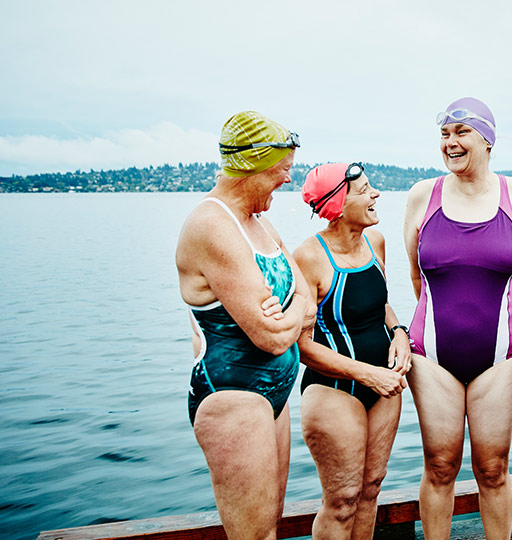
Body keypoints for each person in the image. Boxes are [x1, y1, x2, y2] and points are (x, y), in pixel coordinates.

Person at [175, 111, 314, 540]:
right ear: (252, 166)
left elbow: (307, 296)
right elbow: (271, 337)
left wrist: (292, 312)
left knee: (271, 527)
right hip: (234, 398)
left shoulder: (259, 222)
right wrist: (295, 315)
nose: (288, 181)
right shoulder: (212, 225)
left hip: (274, 396)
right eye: (282, 170)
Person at [402, 97, 512, 539]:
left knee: (494, 467)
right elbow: (417, 276)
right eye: (444, 134)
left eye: (461, 133)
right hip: (433, 355)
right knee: (439, 465)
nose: (451, 143)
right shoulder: (425, 195)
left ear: (487, 140)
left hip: (499, 354)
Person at [293, 162, 411, 539]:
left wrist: (399, 333)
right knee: (342, 499)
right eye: (364, 190)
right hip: (333, 390)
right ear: (339, 204)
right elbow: (301, 345)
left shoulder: (375, 243)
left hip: (385, 385)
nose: (375, 194)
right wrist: (367, 373)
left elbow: (380, 305)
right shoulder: (308, 258)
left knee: (372, 487)